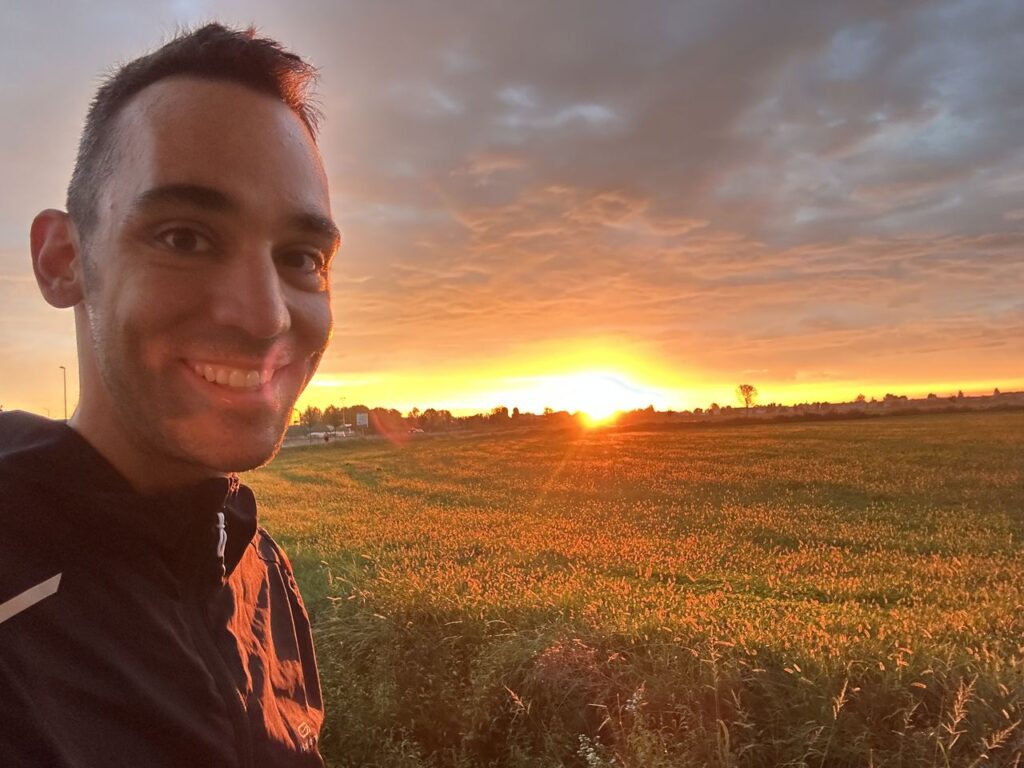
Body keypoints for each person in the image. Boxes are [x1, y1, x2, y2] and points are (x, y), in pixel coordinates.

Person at [0, 24, 339, 767]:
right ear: (63, 259)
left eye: (301, 257)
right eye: (185, 237)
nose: (265, 318)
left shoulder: (262, 574)